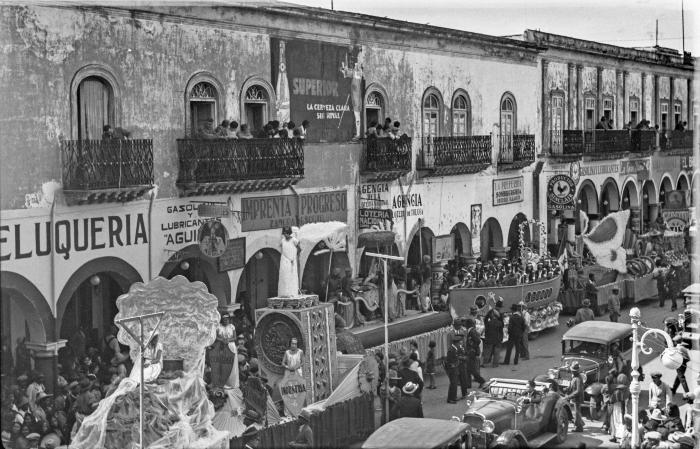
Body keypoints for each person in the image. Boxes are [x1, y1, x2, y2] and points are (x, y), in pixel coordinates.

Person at [216, 313, 239, 388]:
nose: (225, 321)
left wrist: (228, 340)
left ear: (229, 320)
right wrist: (222, 340)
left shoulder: (232, 327)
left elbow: (235, 337)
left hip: (231, 346)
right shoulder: (219, 327)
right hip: (221, 346)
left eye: (227, 319)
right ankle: (223, 382)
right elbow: (216, 337)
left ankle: (231, 382)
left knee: (232, 364)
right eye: (224, 320)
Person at [278, 226, 300, 297]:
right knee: (284, 275)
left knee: (291, 275)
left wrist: (294, 258)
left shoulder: (294, 240)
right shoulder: (283, 240)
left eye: (287, 233)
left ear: (289, 233)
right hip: (284, 259)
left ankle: (292, 293)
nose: (285, 235)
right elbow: (282, 248)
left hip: (291, 259)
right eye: (284, 233)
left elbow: (299, 249)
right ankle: (284, 293)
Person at [482, 299, 504, 367]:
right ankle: (495, 364)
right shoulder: (500, 323)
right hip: (497, 338)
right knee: (497, 352)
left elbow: (485, 319)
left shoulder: (488, 323)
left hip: (489, 339)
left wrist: (489, 313)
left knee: (487, 351)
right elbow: (502, 327)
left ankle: (485, 364)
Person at [566, 362, 585, 432]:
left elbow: (578, 391)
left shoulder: (578, 378)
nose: (572, 372)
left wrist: (569, 397)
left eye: (573, 371)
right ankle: (580, 423)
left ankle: (579, 427)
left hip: (578, 398)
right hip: (574, 397)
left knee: (577, 412)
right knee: (576, 412)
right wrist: (568, 389)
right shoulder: (574, 376)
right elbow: (572, 385)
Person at [445, 334, 461, 404]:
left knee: (454, 384)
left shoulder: (454, 348)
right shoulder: (451, 350)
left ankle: (453, 397)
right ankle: (450, 399)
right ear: (456, 343)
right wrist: (453, 366)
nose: (460, 344)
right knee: (453, 384)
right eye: (459, 342)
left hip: (455, 368)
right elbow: (449, 361)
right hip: (452, 369)